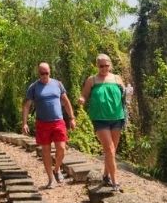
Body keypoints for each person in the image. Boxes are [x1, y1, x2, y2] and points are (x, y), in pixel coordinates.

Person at [21, 62, 77, 188]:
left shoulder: (58, 84)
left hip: (58, 121)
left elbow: (66, 102)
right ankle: (51, 179)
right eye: (42, 73)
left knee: (61, 149)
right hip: (42, 123)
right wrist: (24, 123)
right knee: (46, 152)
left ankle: (56, 169)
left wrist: (72, 118)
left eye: (46, 73)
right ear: (38, 73)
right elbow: (26, 106)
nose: (44, 75)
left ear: (50, 71)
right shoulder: (34, 87)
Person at [78, 54, 127, 191]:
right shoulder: (92, 80)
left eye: (106, 65)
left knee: (111, 151)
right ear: (97, 66)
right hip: (100, 119)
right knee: (110, 149)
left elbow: (125, 95)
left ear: (110, 65)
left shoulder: (117, 78)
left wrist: (128, 93)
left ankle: (105, 175)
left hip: (117, 117)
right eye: (101, 66)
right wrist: (81, 100)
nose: (104, 68)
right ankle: (115, 181)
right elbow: (84, 95)